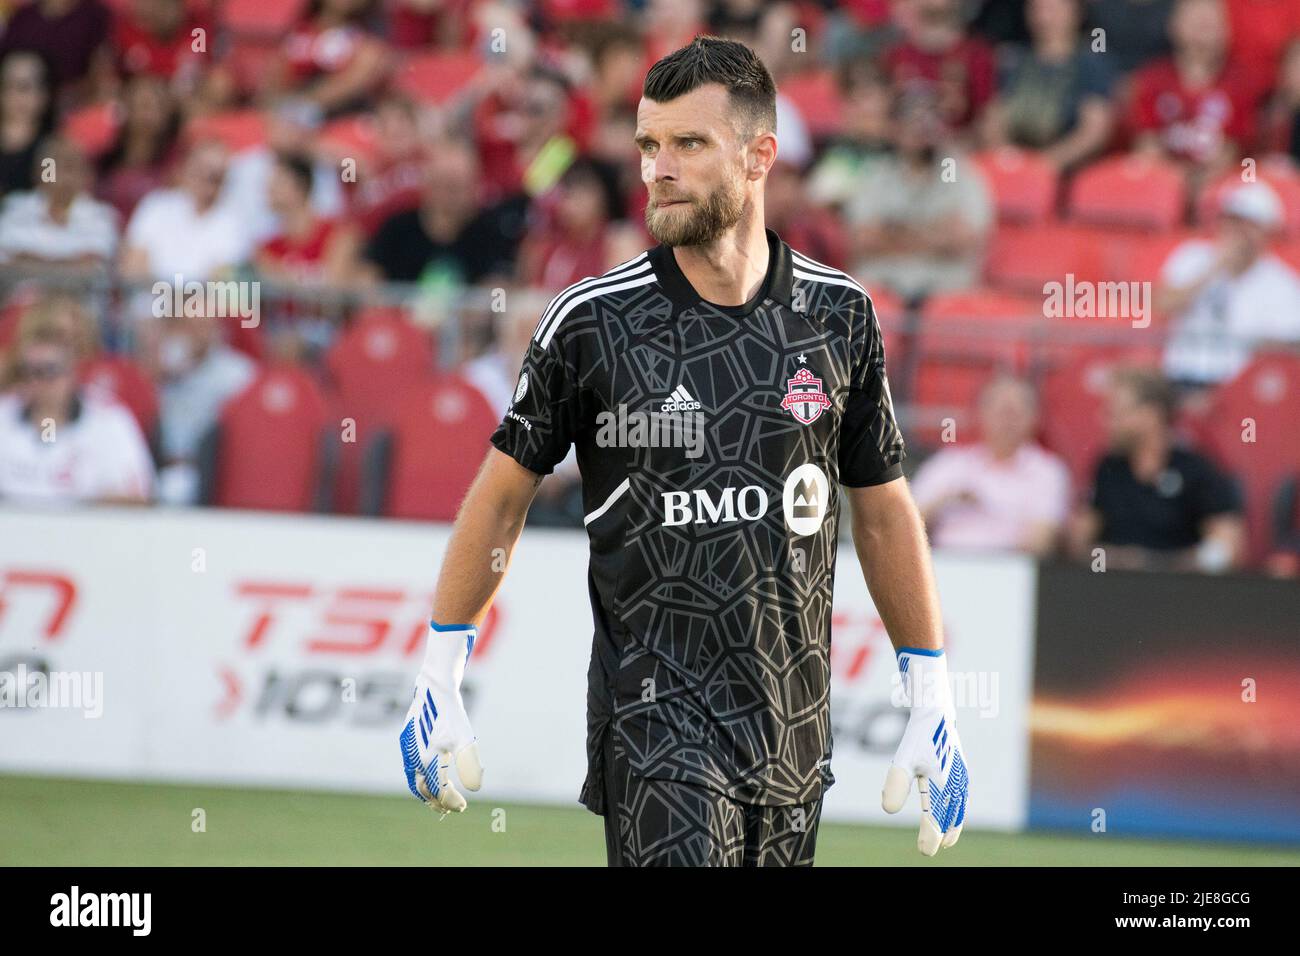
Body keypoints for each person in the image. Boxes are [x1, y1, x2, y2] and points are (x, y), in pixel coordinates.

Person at [397, 36, 970, 867]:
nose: (657, 168)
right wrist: (439, 668)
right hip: (653, 726)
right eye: (648, 145)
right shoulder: (592, 322)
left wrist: (932, 692)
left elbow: (880, 509)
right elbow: (501, 497)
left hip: (792, 736)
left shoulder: (840, 316)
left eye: (688, 144)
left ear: (760, 155)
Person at [1068, 367, 1244, 572]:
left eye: (1116, 412)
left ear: (1151, 415)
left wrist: (1161, 565)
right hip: (1112, 590)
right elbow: (1079, 543)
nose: (1106, 420)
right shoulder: (1108, 468)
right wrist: (1115, 560)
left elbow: (1227, 548)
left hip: (1179, 594)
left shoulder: (1195, 470)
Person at [845, 92, 993, 301]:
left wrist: (893, 231)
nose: (921, 128)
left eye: (930, 120)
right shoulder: (876, 174)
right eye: (912, 120)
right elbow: (863, 240)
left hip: (945, 291)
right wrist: (936, 231)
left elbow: (963, 240)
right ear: (894, 129)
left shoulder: (962, 173)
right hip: (883, 286)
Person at [1157, 181, 1300, 388]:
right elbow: (1164, 305)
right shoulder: (1191, 256)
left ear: (1267, 232)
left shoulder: (1282, 283)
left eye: (1247, 225)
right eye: (1231, 222)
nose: (1236, 232)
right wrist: (1214, 267)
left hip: (1239, 386)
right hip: (1179, 375)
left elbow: (1288, 344)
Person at [0, 313, 153, 505]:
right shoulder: (4, 418)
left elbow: (136, 500)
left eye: (48, 371)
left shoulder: (109, 423)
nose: (36, 382)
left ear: (72, 371)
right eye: (26, 371)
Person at [911, 375, 1071, 556]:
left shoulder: (1047, 471)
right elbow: (905, 527)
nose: (1007, 421)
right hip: (943, 567)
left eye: (1016, 412)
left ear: (1035, 417)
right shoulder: (949, 464)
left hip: (1013, 572)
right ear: (980, 413)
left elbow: (1041, 542)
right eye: (1000, 410)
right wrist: (946, 499)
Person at [980, 0, 1116, 171]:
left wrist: (1045, 164)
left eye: (1054, 9)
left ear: (1076, 13)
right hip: (1011, 163)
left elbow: (1093, 132)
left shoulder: (1091, 64)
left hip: (1065, 171)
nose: (1044, 17)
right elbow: (994, 118)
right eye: (1037, 8)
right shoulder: (1014, 59)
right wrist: (1006, 156)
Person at [0, 135, 119, 272]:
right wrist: (69, 262)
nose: (62, 174)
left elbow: (94, 265)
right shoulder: (15, 207)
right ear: (38, 171)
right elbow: (6, 258)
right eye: (54, 165)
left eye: (71, 166)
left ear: (86, 174)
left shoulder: (102, 216)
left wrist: (31, 259)